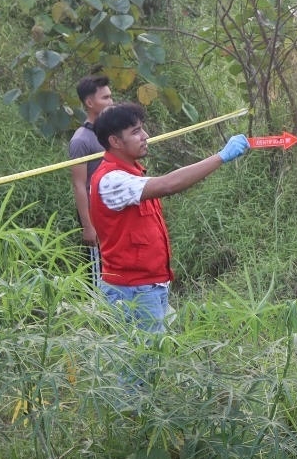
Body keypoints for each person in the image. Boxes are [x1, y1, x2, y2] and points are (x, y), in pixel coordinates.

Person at [89, 104, 251, 332]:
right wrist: (221, 157)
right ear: (115, 142)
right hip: (132, 291)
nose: (145, 136)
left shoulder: (131, 174)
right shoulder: (111, 180)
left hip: (149, 287)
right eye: (135, 132)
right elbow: (168, 185)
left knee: (153, 359)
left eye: (142, 129)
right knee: (142, 363)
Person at [68, 75, 115, 249]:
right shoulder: (81, 140)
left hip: (114, 207)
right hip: (94, 213)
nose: (111, 102)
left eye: (110, 96)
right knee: (98, 270)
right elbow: (79, 185)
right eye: (105, 98)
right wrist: (88, 226)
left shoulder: (113, 132)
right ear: (89, 103)